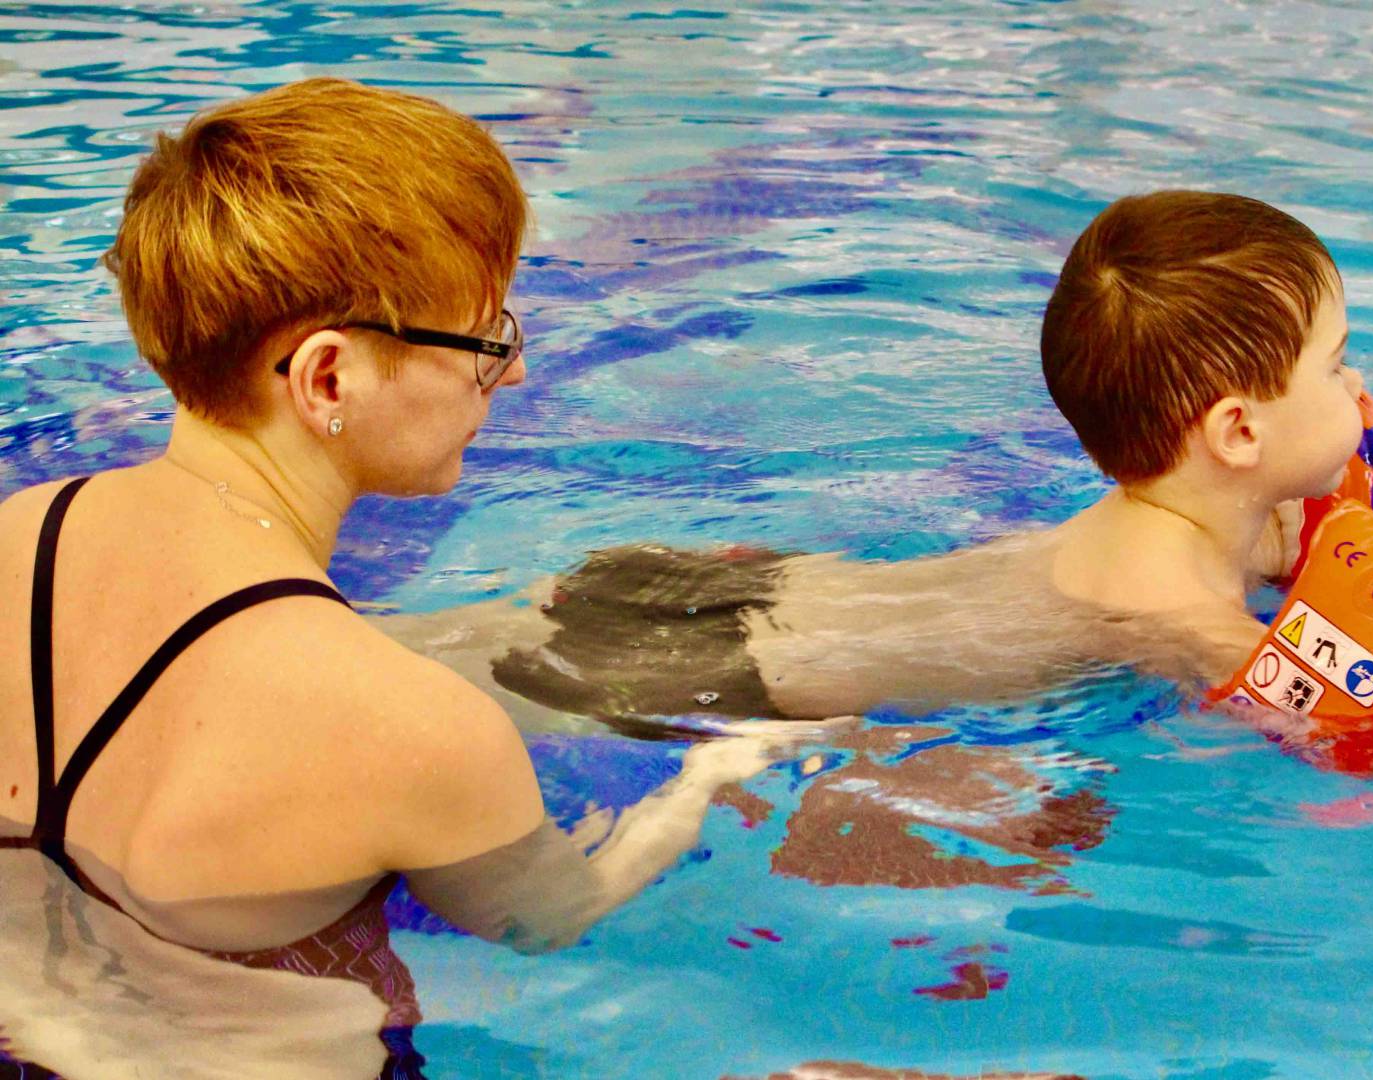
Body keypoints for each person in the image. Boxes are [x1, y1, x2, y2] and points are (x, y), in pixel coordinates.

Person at [0, 78, 826, 1076]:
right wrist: (721, 767)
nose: (512, 374)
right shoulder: (410, 726)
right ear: (328, 379)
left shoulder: (19, 536)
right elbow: (551, 920)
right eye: (485, 343)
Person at [394, 190, 1373, 729]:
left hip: (746, 591)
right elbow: (1347, 735)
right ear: (1241, 434)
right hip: (720, 662)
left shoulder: (1196, 528)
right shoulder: (1172, 607)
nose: (1363, 388)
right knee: (392, 680)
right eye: (1338, 361)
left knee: (412, 649)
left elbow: (1359, 576)